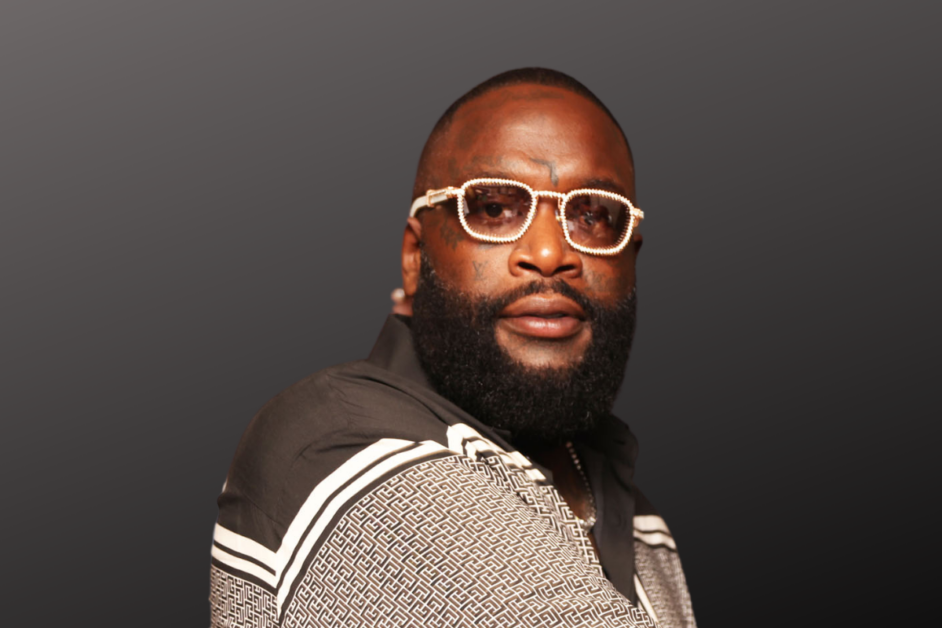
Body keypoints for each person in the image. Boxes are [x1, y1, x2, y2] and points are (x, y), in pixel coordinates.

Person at [209, 68, 696, 628]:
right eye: (493, 209)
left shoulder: (638, 520)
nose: (548, 253)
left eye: (592, 216)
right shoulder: (335, 445)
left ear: (631, 259)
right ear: (416, 258)